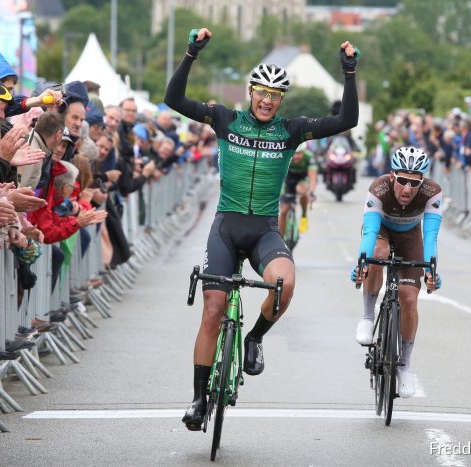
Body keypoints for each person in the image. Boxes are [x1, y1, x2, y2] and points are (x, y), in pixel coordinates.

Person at [166, 27, 360, 431]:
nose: (269, 101)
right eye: (262, 93)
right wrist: (190, 54)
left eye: (276, 96)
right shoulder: (225, 119)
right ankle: (199, 399)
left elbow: (347, 119)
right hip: (226, 227)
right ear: (250, 92)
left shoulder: (290, 130)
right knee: (212, 313)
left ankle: (254, 338)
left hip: (264, 230)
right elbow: (173, 100)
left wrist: (349, 73)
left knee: (284, 285)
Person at [350, 147, 442, 398]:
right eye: (402, 180)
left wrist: (432, 268)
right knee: (377, 255)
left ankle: (404, 367)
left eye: (415, 182)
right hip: (381, 231)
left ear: (422, 181)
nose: (408, 188)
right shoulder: (378, 188)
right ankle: (368, 317)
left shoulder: (432, 192)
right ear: (392, 176)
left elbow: (431, 235)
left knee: (409, 298)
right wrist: (362, 262)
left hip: (410, 237)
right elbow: (369, 232)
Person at [278, 142, 317, 235]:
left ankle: (304, 215)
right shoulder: (285, 155)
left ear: (304, 152)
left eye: (299, 153)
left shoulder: (309, 157)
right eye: (294, 153)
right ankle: (280, 238)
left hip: (303, 178)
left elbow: (312, 178)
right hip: (289, 178)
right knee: (283, 211)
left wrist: (311, 192)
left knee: (301, 190)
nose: (296, 156)